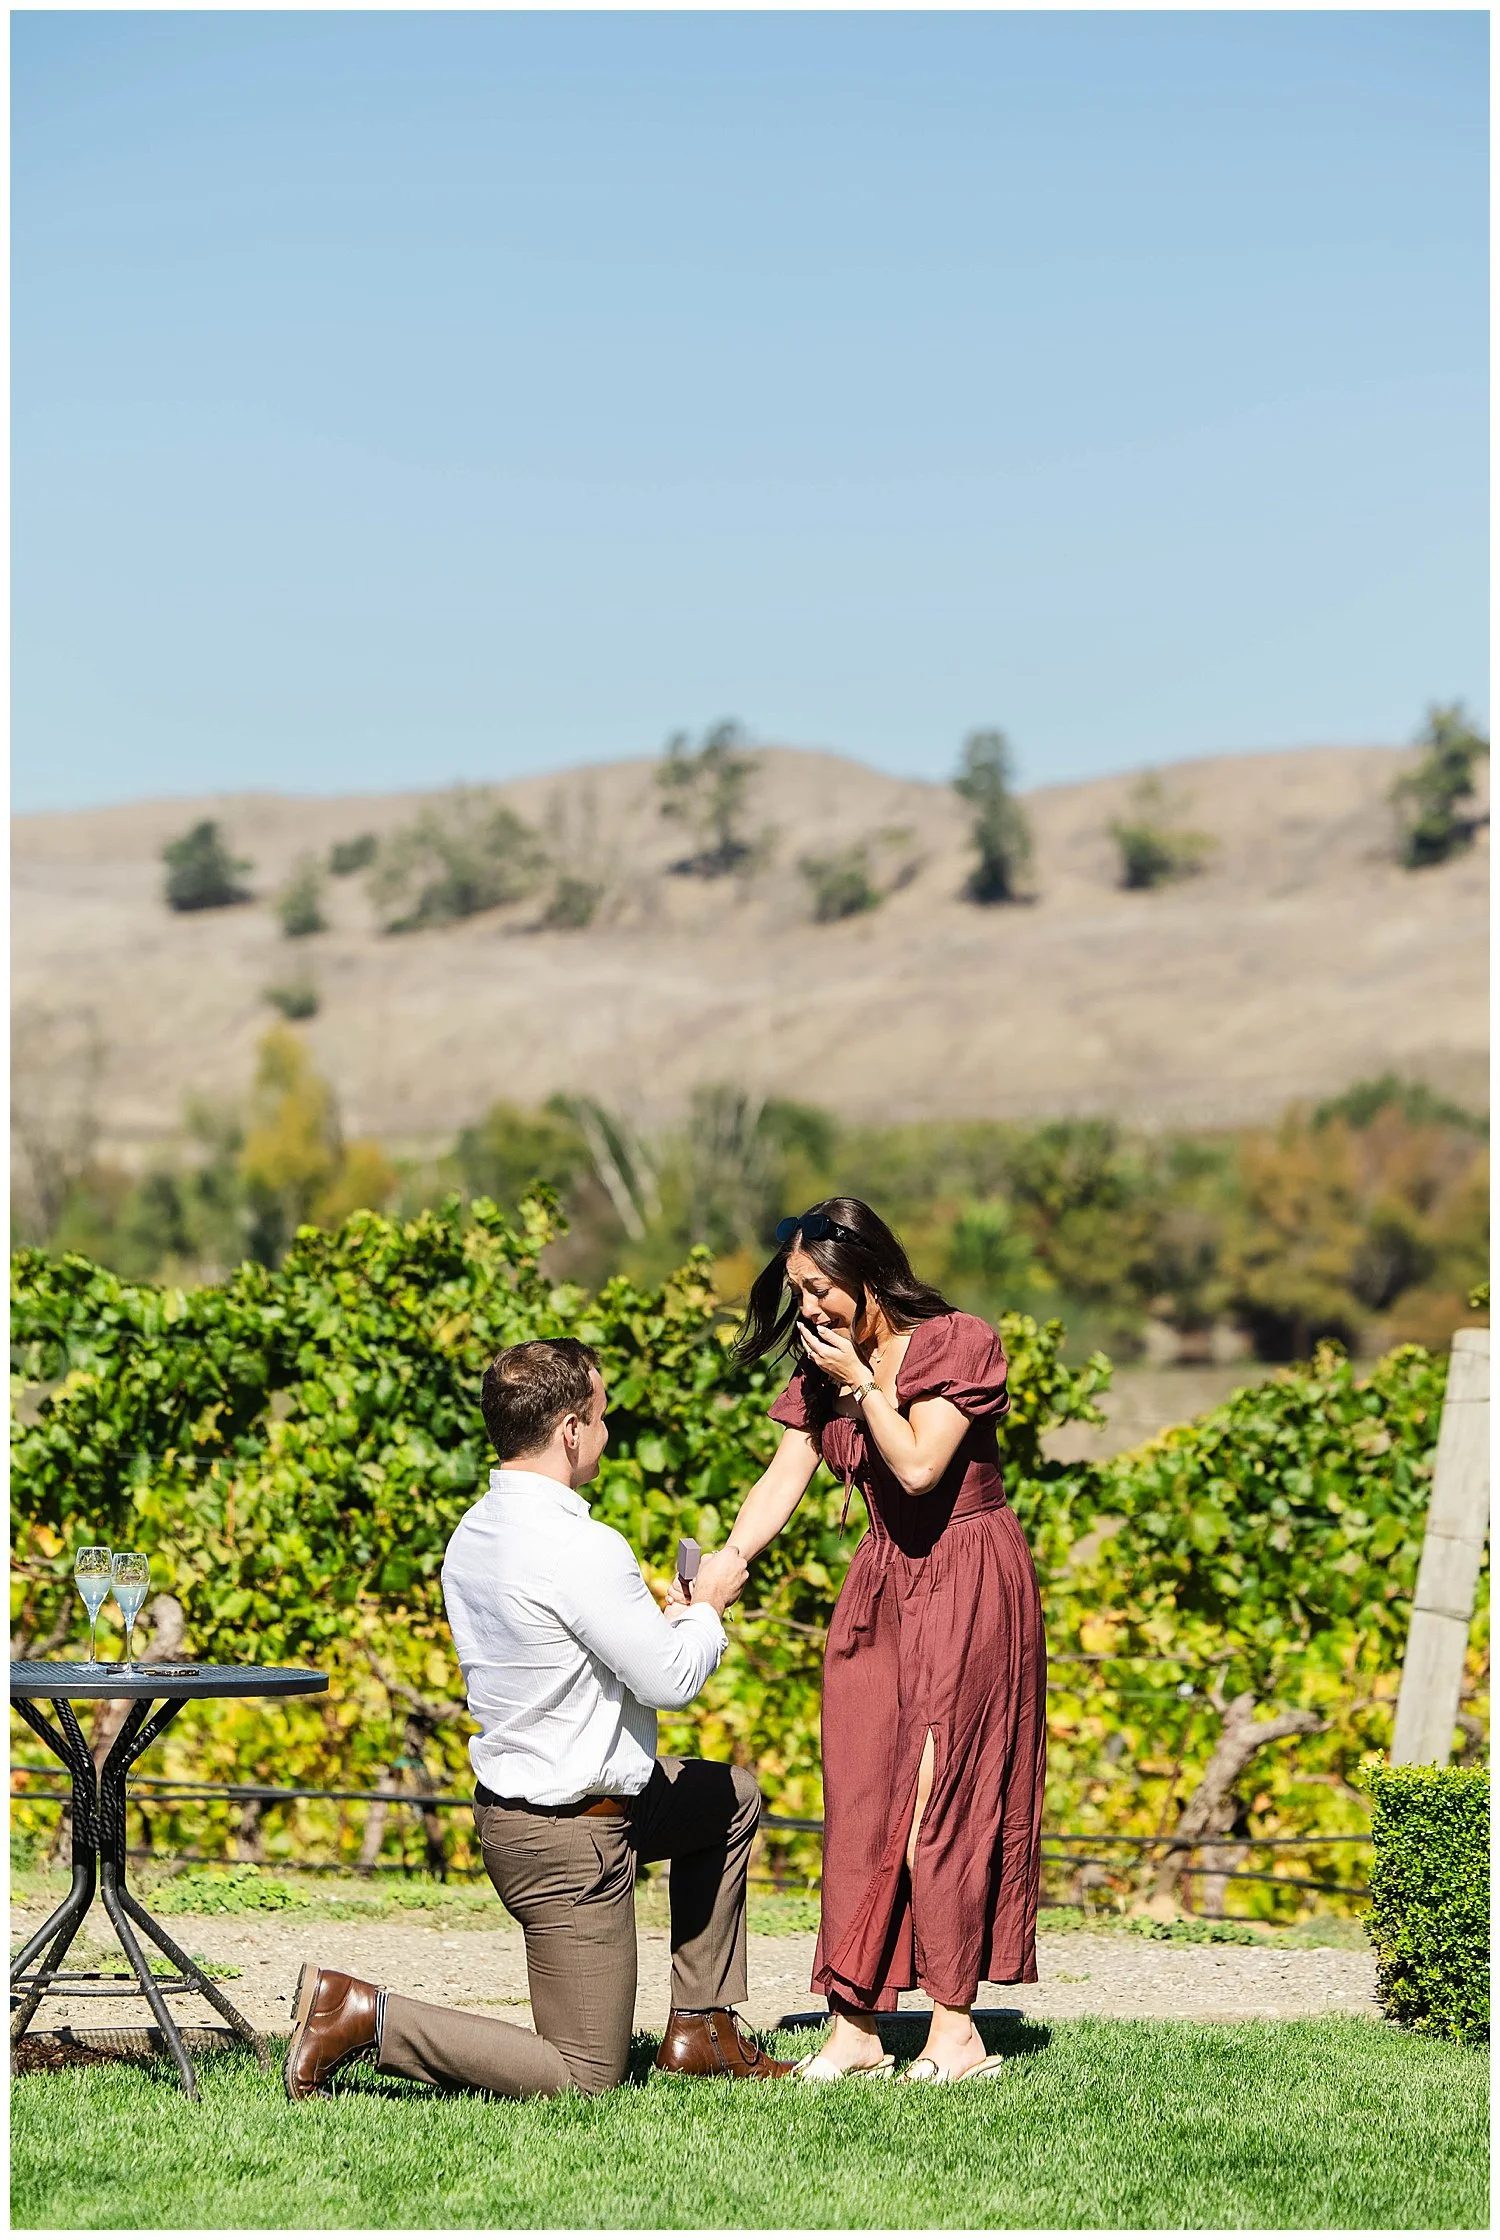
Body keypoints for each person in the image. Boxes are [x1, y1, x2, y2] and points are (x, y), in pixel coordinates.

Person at [284, 1336, 792, 2100]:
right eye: (603, 1414)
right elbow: (671, 1680)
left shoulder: (475, 1534)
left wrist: (663, 1623)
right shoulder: (580, 1546)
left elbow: (576, 1657)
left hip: (542, 1810)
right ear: (571, 1430)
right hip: (569, 1841)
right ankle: (362, 2017)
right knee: (584, 2076)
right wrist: (709, 1606)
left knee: (729, 1798)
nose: (608, 1432)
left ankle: (703, 2031)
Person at [699, 1198, 1046, 2084]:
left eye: (820, 1289)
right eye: (797, 1292)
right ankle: (853, 2029)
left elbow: (922, 1466)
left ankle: (955, 2031)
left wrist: (860, 1383)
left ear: (866, 1270)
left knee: (941, 1799)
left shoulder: (958, 1341)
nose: (808, 1308)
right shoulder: (825, 1369)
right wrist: (723, 1571)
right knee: (861, 1796)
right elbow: (784, 1476)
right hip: (883, 1583)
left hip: (967, 1573)